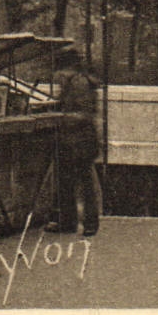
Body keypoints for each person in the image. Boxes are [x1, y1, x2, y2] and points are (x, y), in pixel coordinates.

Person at [46, 47, 101, 237]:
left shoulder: (79, 84)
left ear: (68, 68)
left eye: (60, 71)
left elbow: (84, 114)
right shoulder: (73, 82)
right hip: (72, 140)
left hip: (81, 140)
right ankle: (68, 221)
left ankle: (89, 223)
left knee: (84, 183)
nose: (57, 77)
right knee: (65, 181)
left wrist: (61, 117)